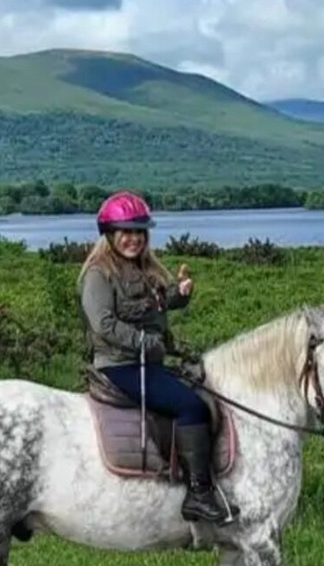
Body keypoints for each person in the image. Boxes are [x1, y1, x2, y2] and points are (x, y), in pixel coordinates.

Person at [77, 190, 231, 524]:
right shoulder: (97, 275)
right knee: (191, 405)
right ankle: (198, 494)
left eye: (139, 232)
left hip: (148, 360)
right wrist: (144, 342)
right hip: (120, 365)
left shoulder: (144, 268)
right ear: (110, 235)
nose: (134, 239)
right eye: (127, 232)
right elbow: (102, 324)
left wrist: (180, 294)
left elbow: (155, 304)